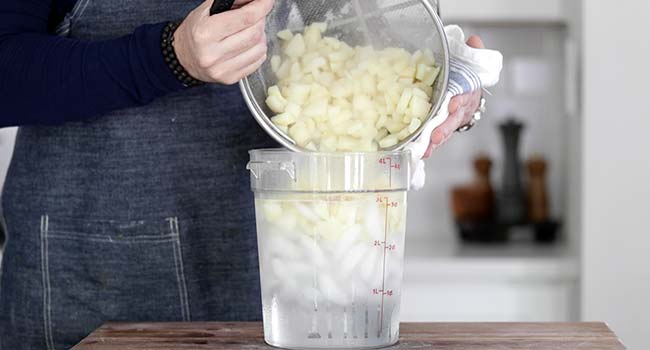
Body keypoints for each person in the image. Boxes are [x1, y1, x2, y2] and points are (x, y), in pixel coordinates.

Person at [0, 0, 485, 348]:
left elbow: (369, 36)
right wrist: (170, 56)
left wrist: (450, 89)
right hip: (100, 278)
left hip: (293, 263)